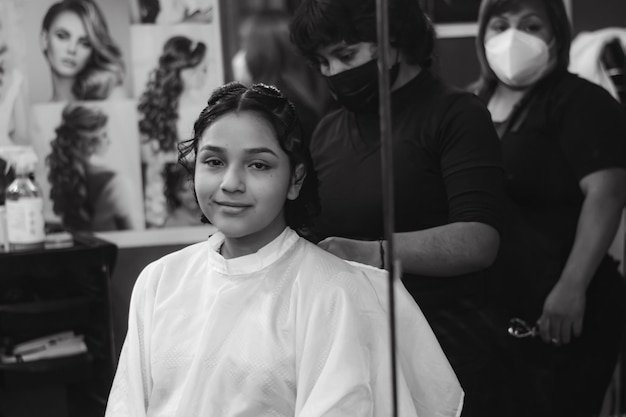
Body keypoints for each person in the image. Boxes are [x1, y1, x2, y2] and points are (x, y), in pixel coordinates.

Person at [105, 81, 464, 416]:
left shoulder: (331, 291)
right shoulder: (160, 281)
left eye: (258, 165)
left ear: (296, 179)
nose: (231, 184)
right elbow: (127, 404)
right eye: (213, 161)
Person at [290, 0, 506, 416]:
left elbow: (479, 239)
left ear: (392, 42)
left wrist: (374, 252)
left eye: (346, 55)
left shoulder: (456, 114)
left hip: (446, 344)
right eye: (322, 62)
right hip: (358, 347)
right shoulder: (328, 130)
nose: (334, 73)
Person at [470, 0, 626, 416]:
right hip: (489, 314)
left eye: (531, 25)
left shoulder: (581, 102)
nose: (512, 37)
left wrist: (572, 287)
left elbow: (607, 194)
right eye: (500, 25)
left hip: (564, 309)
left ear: (557, 35)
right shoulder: (468, 104)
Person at [231, 10, 333, 144]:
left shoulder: (271, 110)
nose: (239, 56)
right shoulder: (299, 99)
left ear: (263, 53)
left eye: (245, 44)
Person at [138, 35, 208, 227]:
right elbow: (152, 171)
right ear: (180, 69)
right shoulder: (152, 115)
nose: (202, 75)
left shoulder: (204, 111)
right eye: (196, 68)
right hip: (160, 209)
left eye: (204, 69)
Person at [46, 103, 142, 231]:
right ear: (87, 142)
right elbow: (132, 235)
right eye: (104, 135)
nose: (109, 141)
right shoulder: (116, 184)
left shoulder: (66, 179)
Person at [40, 0, 126, 102]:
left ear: (93, 49)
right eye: (62, 36)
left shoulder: (112, 97)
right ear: (44, 40)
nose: (72, 49)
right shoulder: (34, 114)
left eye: (85, 43)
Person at [162, 162, 204, 227]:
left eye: (194, 188)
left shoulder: (213, 217)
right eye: (184, 190)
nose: (191, 195)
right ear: (175, 193)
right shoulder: (172, 223)